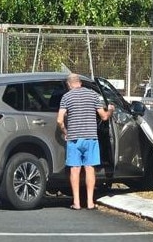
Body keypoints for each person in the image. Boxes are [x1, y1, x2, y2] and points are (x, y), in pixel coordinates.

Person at [57, 73, 114, 210]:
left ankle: (76, 202)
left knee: (75, 170)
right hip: (90, 138)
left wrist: (65, 132)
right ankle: (90, 202)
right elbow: (104, 117)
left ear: (69, 85)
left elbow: (59, 120)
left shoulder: (66, 97)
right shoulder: (93, 95)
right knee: (90, 169)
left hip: (74, 139)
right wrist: (111, 110)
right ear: (80, 83)